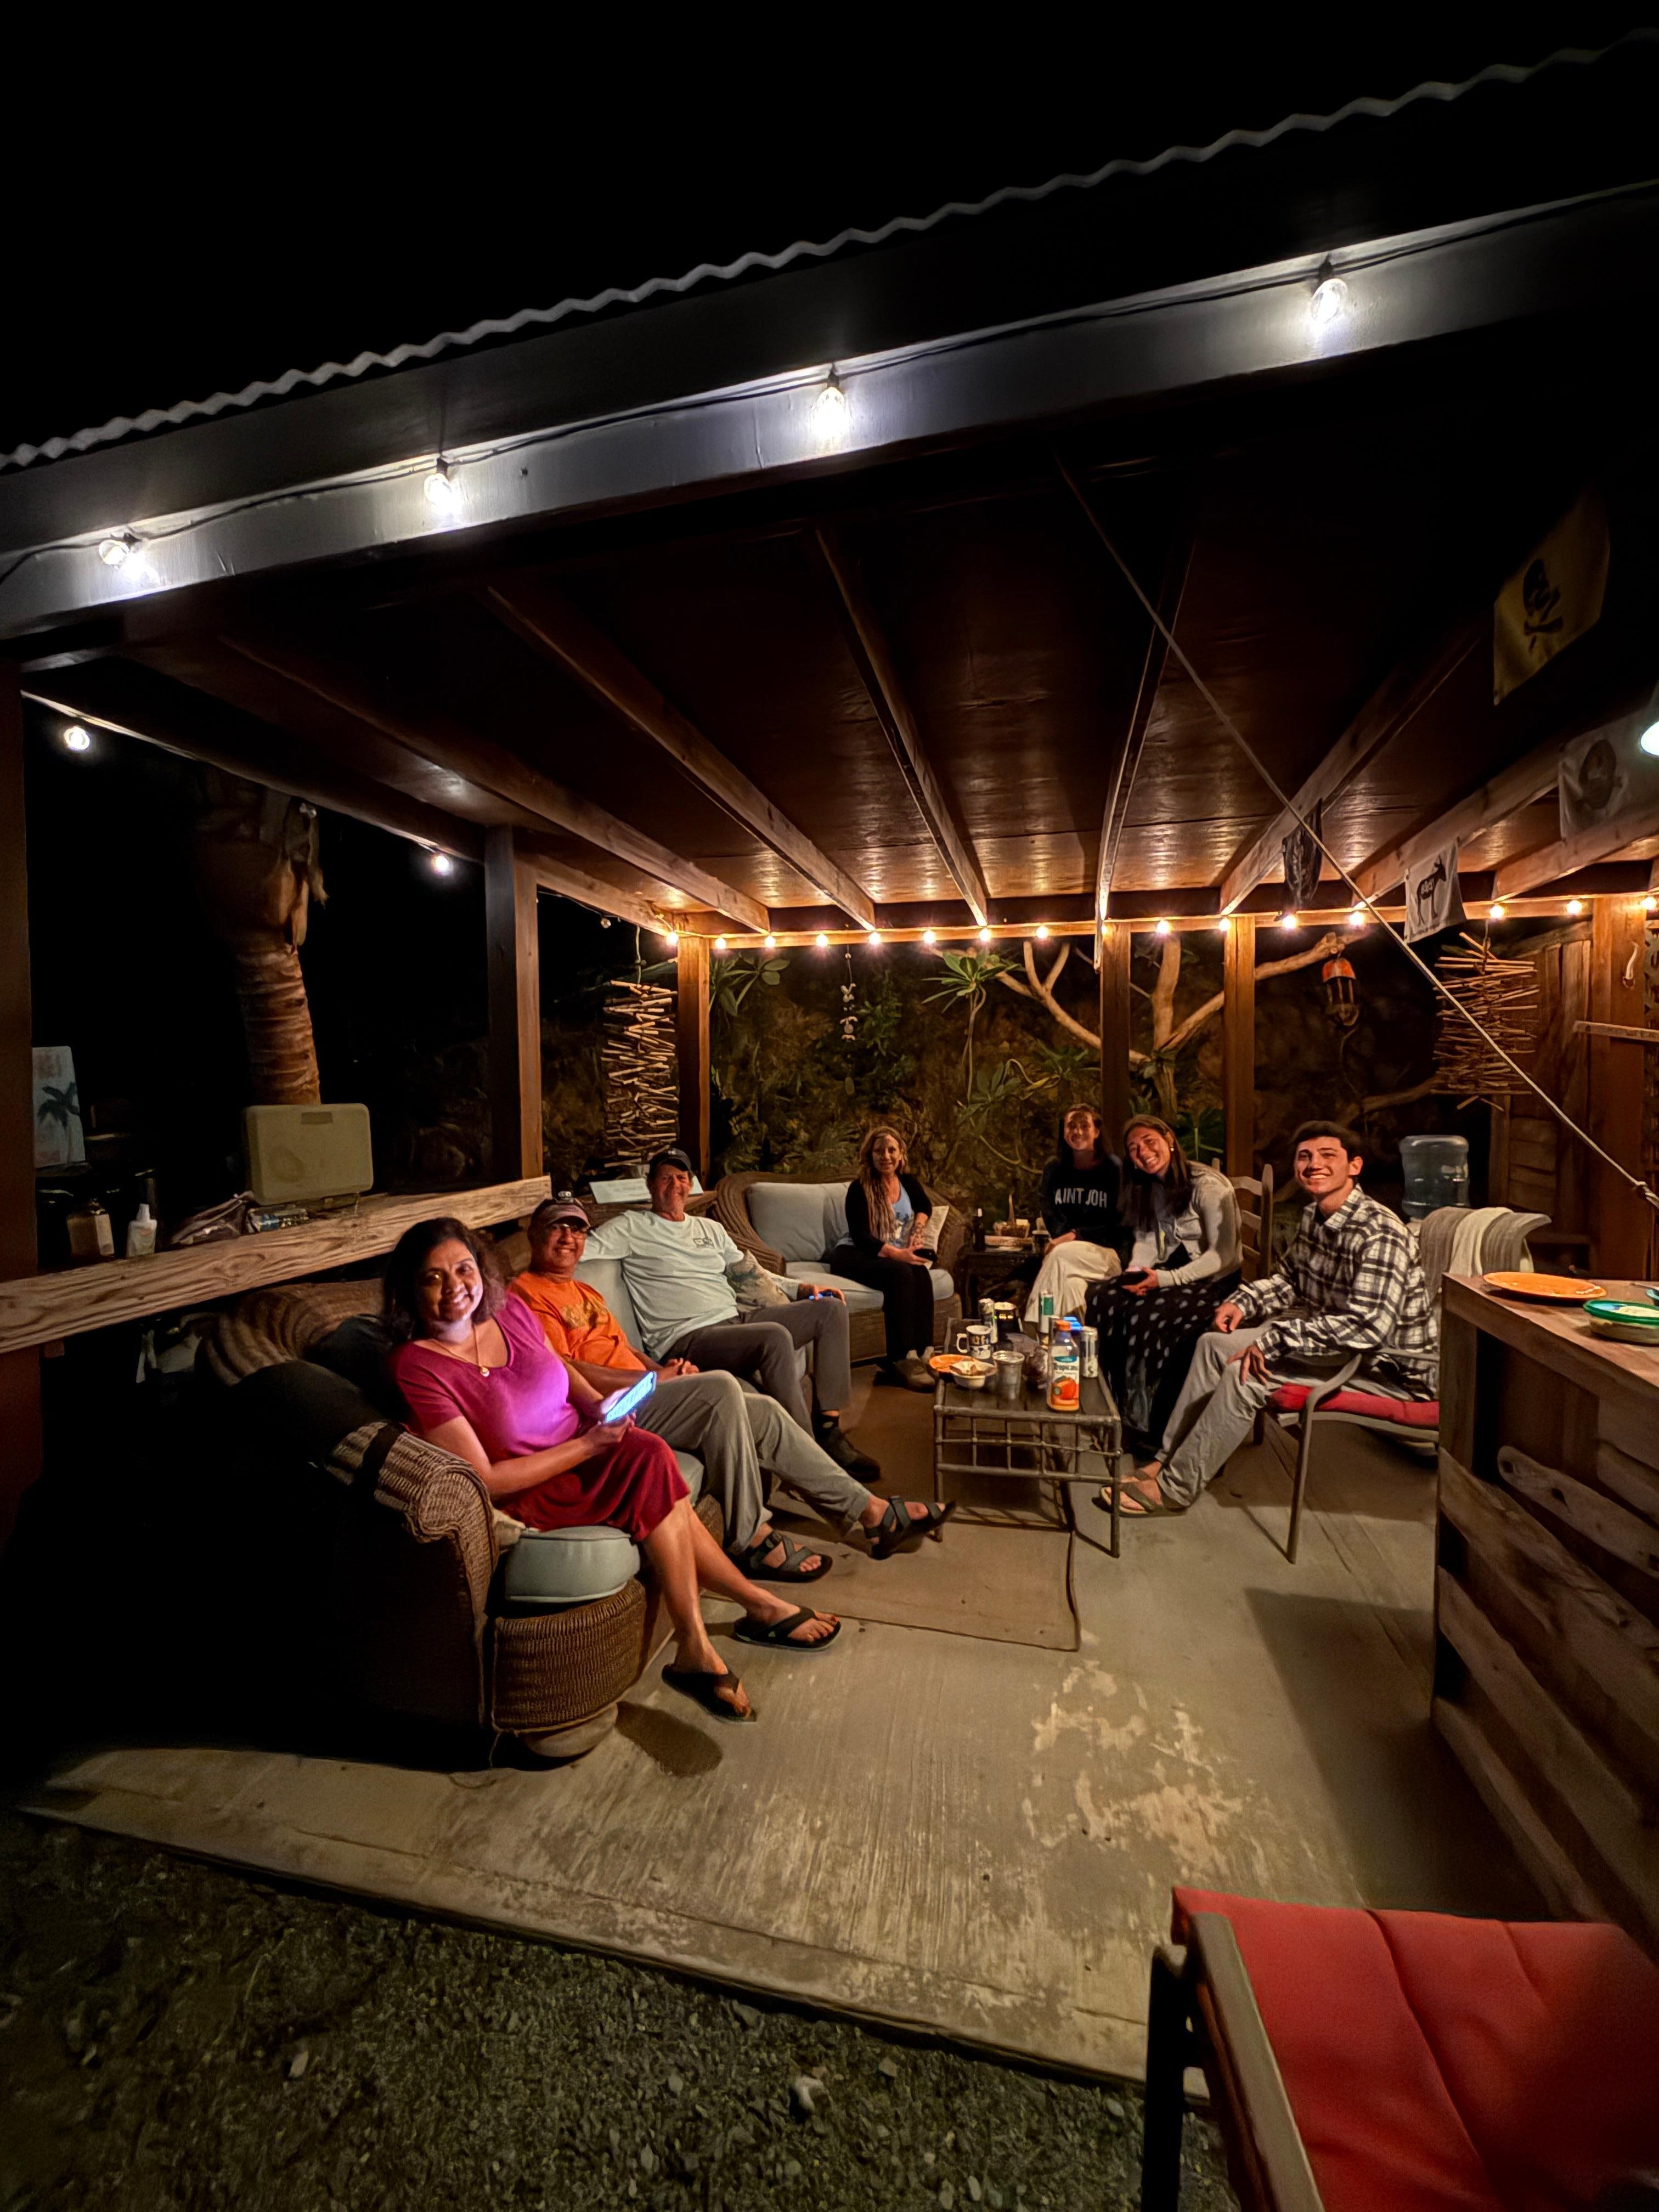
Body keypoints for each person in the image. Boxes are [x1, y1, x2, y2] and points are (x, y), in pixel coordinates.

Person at [383, 1217, 840, 1728]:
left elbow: (558, 1367)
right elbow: (487, 1479)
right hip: (535, 1482)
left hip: (583, 1443)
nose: (455, 1287)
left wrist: (599, 1406)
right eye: (433, 1277)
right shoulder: (416, 1366)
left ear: (480, 1269)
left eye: (463, 1269)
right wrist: (587, 1446)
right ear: (410, 1289)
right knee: (653, 1462)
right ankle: (727, 1623)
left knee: (648, 1452)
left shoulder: (508, 1310)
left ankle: (731, 1622)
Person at [511, 1197, 953, 1568]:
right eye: (557, 1228)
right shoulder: (525, 1296)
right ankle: (749, 1537)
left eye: (577, 1229)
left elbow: (623, 1347)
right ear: (534, 1235)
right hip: (609, 1406)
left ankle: (873, 1514)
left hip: (644, 1384)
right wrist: (651, 1377)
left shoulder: (586, 1291)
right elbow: (565, 1371)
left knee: (764, 1411)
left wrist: (663, 1367)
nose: (568, 1238)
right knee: (723, 1388)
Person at [1106, 1122, 1437, 1520]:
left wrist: (1271, 1341)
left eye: (1328, 1155)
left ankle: (1175, 1489)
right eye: (1305, 1157)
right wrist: (1243, 1302)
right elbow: (1290, 1280)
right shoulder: (1315, 1215)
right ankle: (1166, 1459)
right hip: (1332, 1343)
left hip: (1384, 1367)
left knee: (1245, 1375)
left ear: (1355, 1166)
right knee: (1211, 1345)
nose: (1314, 1164)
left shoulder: (1379, 1232)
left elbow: (1367, 1328)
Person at [584, 1148, 896, 1492]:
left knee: (830, 1308)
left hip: (737, 1320)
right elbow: (580, 1249)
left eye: (682, 1178)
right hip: (688, 1337)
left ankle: (828, 1430)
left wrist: (803, 1288)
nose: (675, 1185)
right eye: (665, 1178)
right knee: (774, 1336)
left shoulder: (710, 1229)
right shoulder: (631, 1227)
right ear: (650, 1185)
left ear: (691, 1185)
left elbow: (750, 1273)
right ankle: (810, 1460)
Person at [1084, 1116, 1241, 1452]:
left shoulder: (1208, 1186)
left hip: (1215, 1282)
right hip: (1172, 1272)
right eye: (1133, 1148)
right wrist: (1135, 1272)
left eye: (1149, 1141)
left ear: (1169, 1139)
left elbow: (1223, 1255)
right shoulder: (1151, 1186)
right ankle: (1108, 1404)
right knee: (1102, 1297)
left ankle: (1144, 1424)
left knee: (1146, 1316)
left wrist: (1164, 1280)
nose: (1143, 1152)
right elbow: (1147, 1240)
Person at [827, 1126, 939, 1391]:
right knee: (901, 1273)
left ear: (901, 1155)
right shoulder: (859, 1188)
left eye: (891, 1150)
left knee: (921, 1273)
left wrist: (918, 1229)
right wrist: (899, 1254)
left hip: (891, 1253)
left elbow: (924, 1206)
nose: (886, 1156)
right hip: (853, 1253)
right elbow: (862, 1237)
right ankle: (901, 1358)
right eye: (879, 1151)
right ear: (870, 1155)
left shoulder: (908, 1183)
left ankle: (925, 1352)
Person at [1023, 1105, 1131, 1323]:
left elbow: (1118, 1224)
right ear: (1064, 1132)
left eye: (1084, 1126)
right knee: (1072, 1290)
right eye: (1071, 1126)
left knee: (1059, 1255)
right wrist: (1065, 1237)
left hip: (1107, 1254)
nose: (1078, 1132)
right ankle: (1076, 1342)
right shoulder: (1054, 1170)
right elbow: (1050, 1213)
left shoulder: (1113, 1169)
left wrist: (1075, 1235)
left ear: (1097, 1132)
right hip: (1068, 1256)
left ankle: (1034, 1327)